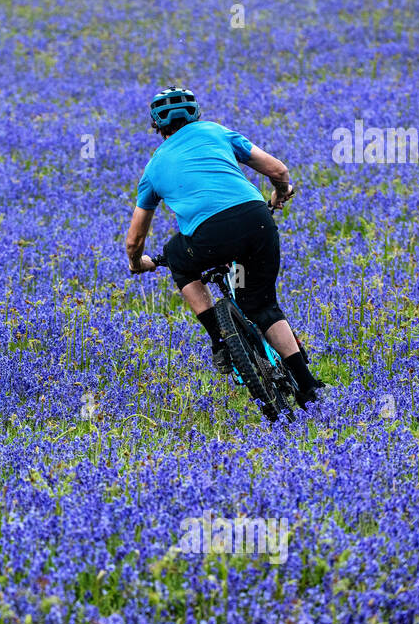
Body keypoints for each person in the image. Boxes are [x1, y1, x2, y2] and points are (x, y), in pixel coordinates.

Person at [124, 86, 324, 405]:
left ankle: (220, 338)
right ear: (196, 114)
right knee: (262, 305)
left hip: (209, 234)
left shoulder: (153, 168)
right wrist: (280, 193)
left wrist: (137, 263)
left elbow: (135, 239)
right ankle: (309, 388)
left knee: (178, 256)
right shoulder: (217, 133)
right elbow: (279, 171)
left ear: (157, 127)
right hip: (256, 219)